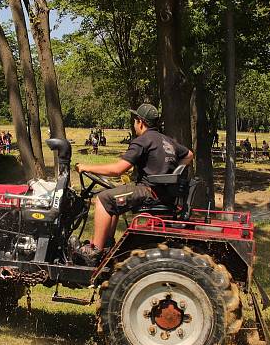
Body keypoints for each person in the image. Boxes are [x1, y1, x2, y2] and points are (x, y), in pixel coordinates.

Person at [74, 104, 193, 265]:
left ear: (141, 122)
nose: (134, 124)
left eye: (135, 120)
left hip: (149, 191)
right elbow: (189, 154)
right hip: (163, 194)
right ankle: (107, 245)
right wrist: (176, 172)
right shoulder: (166, 140)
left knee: (103, 199)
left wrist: (86, 167)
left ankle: (94, 252)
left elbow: (118, 170)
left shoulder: (142, 141)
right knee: (113, 195)